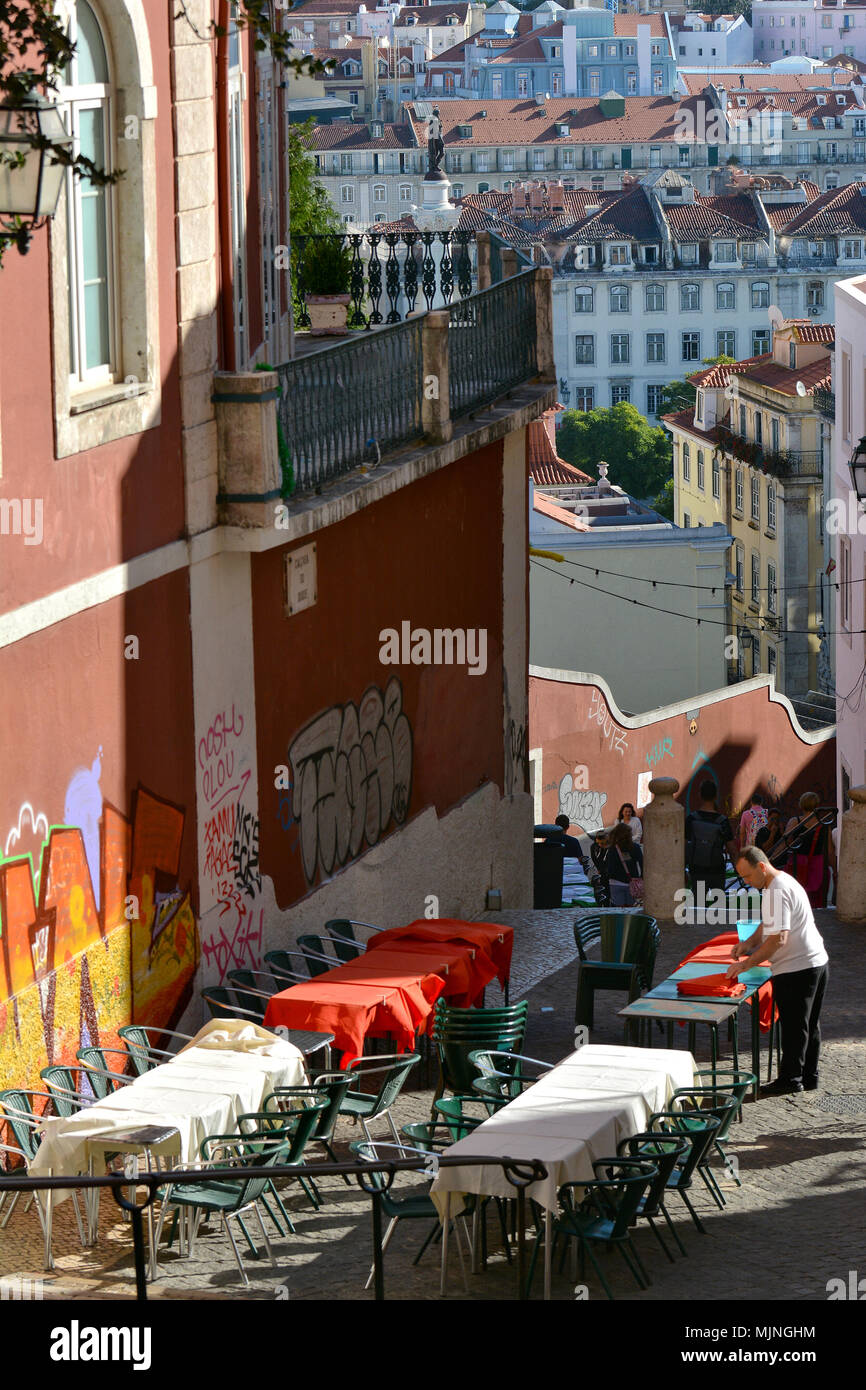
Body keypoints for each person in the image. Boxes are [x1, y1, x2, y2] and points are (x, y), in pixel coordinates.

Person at [727, 846, 828, 1096]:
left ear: (761, 866)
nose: (747, 883)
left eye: (748, 876)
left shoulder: (776, 890)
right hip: (814, 962)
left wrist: (746, 964)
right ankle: (808, 1075)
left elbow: (778, 939)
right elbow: (770, 923)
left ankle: (791, 1079)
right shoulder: (780, 882)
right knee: (808, 1024)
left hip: (798, 967)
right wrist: (749, 943)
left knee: (795, 1026)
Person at [685, 779, 738, 914]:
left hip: (697, 869)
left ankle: (697, 932)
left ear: (700, 795)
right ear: (716, 796)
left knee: (698, 909)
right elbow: (732, 849)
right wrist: (738, 868)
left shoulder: (692, 819)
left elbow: (683, 846)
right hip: (717, 869)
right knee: (718, 910)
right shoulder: (722, 821)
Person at [783, 792, 835, 908]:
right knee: (816, 902)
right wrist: (835, 870)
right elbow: (830, 851)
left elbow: (784, 844)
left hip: (798, 864)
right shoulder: (825, 824)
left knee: (796, 901)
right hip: (818, 865)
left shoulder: (795, 821)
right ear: (817, 805)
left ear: (801, 805)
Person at [604, 821, 643, 907]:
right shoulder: (635, 847)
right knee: (630, 908)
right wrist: (640, 878)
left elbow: (610, 868)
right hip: (632, 883)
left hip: (615, 882)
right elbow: (642, 864)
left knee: (619, 910)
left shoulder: (612, 849)